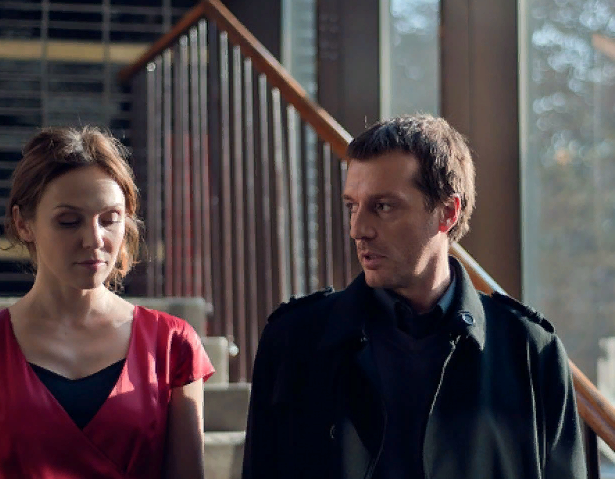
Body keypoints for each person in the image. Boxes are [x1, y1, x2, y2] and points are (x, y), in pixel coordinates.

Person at [242, 115, 586, 479]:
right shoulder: (294, 340)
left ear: (447, 213)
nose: (358, 229)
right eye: (352, 206)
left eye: (383, 206)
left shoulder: (530, 351)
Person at [0, 127, 214, 479]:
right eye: (68, 221)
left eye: (110, 219)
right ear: (23, 224)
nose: (94, 239)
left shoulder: (171, 343)